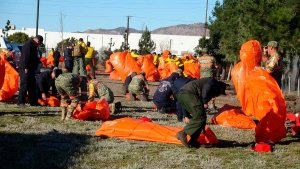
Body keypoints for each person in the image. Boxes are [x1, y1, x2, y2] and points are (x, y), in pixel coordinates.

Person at [176, 77, 227, 148]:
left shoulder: (209, 89)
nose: (218, 95)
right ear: (219, 87)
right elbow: (206, 90)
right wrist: (205, 102)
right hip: (189, 94)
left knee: (201, 117)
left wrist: (186, 114)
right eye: (220, 92)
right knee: (200, 116)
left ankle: (193, 141)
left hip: (182, 94)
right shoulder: (213, 81)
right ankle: (183, 133)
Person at [18, 35, 44, 106]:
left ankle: (33, 102)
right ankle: (21, 102)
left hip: (31, 68)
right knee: (24, 85)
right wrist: (26, 67)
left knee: (32, 85)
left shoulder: (33, 46)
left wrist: (39, 63)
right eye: (39, 43)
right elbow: (26, 56)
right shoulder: (28, 45)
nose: (39, 45)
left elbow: (34, 57)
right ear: (38, 41)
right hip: (25, 68)